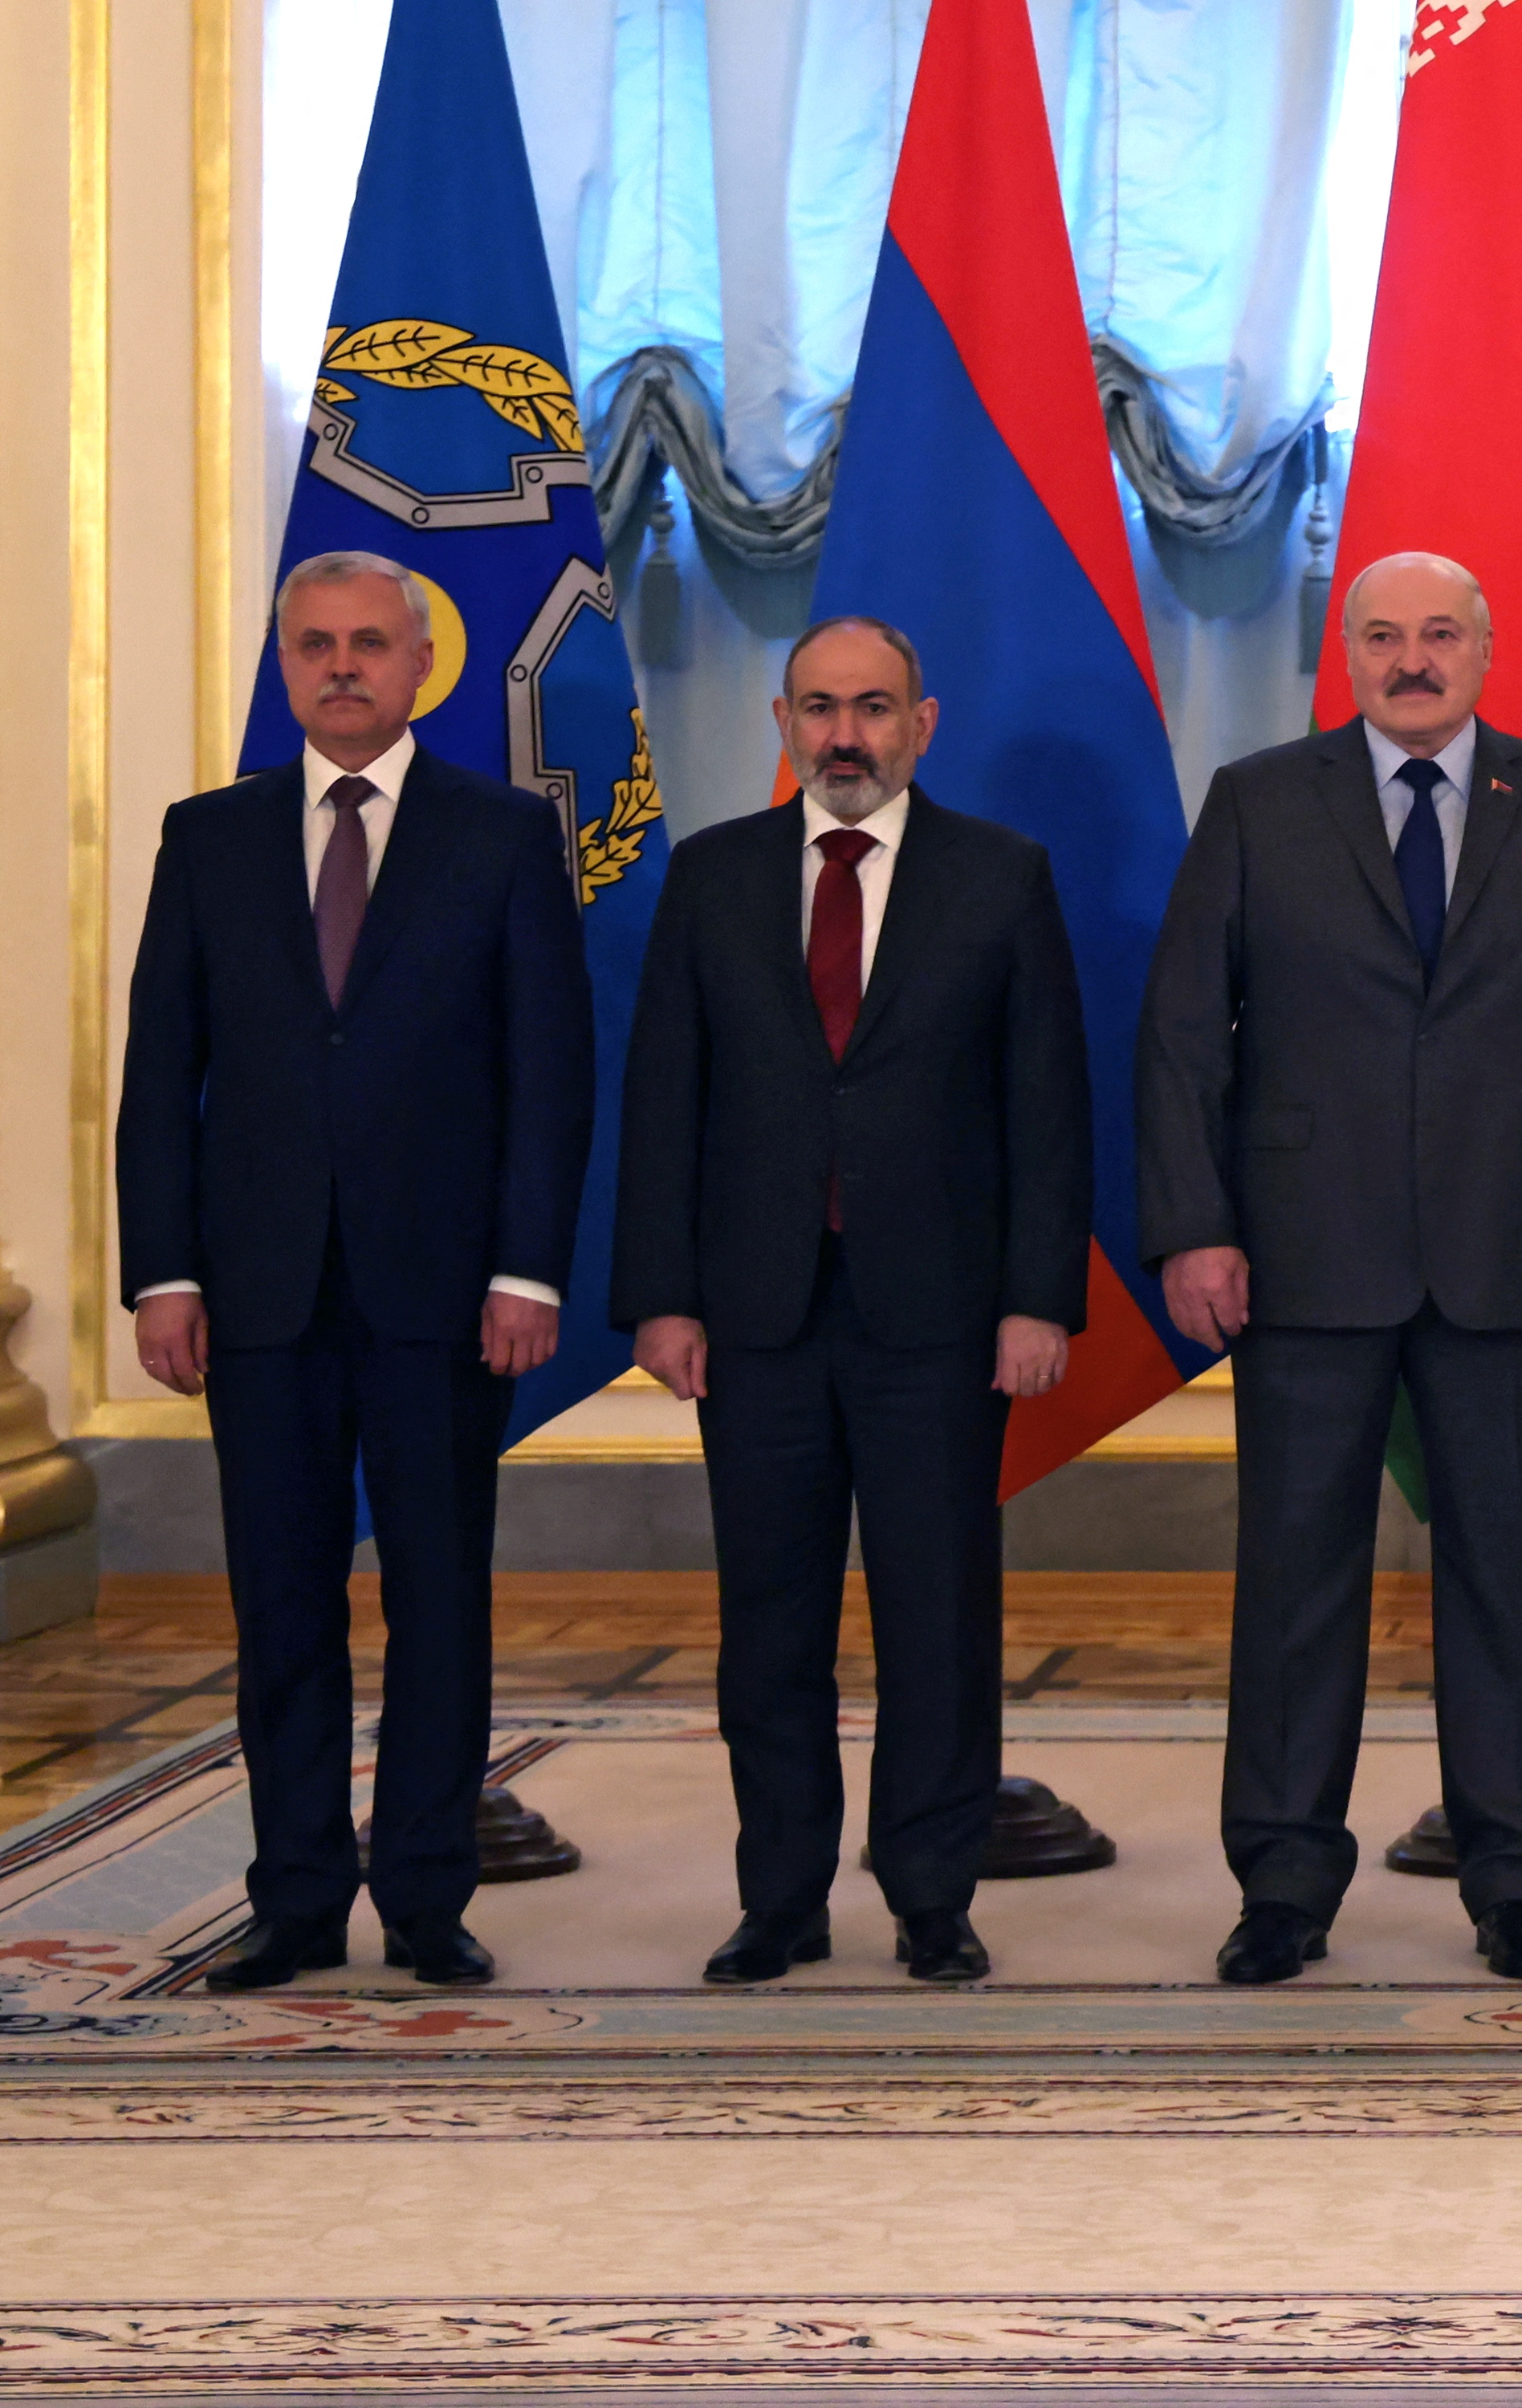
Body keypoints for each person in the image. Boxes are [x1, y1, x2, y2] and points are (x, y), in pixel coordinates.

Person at [1138, 551, 1522, 1987]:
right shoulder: (1260, 800)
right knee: (1294, 1580)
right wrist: (1193, 1225)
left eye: (1440, 633)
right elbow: (1186, 1035)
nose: (1412, 658)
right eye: (1383, 635)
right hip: (1301, 1262)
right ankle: (1282, 1883)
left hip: (1509, 1259)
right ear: (1348, 653)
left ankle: (1515, 1871)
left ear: (1486, 650)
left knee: (1509, 1578)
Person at [116, 548, 593, 1991]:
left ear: (417, 664)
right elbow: (160, 1082)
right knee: (281, 1606)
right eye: (313, 645)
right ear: (284, 664)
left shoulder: (502, 838)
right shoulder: (207, 839)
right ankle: (300, 1896)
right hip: (256, 1293)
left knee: (439, 1597)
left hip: (444, 1292)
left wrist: (528, 1270)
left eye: (368, 645)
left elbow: (548, 1078)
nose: (340, 667)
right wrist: (162, 1275)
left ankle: (430, 1896)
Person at [612, 616, 1090, 1989]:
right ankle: (781, 1898)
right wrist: (661, 1298)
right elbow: (665, 1104)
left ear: (920, 726)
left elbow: (1045, 1109)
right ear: (781, 722)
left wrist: (1035, 1299)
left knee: (938, 1619)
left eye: (872, 709)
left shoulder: (1000, 877)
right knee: (770, 1623)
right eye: (819, 708)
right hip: (754, 1315)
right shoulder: (711, 879)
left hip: (940, 1315)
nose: (844, 735)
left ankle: (932, 1895)